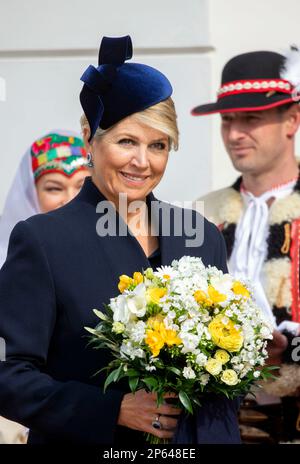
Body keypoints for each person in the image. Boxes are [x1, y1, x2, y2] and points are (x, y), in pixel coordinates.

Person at [0, 35, 240, 445]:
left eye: (158, 145)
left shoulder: (201, 236)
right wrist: (112, 409)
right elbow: (9, 375)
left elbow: (222, 377)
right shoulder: (42, 240)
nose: (142, 162)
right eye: (127, 141)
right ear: (90, 140)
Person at [192, 48, 300, 441]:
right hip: (214, 422)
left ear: (292, 120)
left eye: (251, 119)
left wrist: (290, 349)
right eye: (227, 120)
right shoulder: (201, 212)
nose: (234, 134)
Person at [0, 130, 89, 268]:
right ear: (31, 195)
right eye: (54, 188)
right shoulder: (8, 264)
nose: (71, 199)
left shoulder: (116, 248)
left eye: (82, 186)